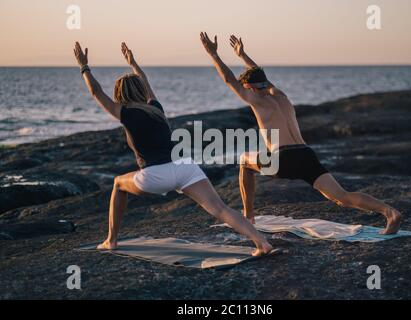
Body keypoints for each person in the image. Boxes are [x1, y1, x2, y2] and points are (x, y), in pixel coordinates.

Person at [72, 41, 272, 255]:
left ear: (120, 95)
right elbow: (146, 82)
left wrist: (84, 66)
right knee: (221, 209)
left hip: (155, 175)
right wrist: (133, 63)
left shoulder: (124, 113)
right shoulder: (155, 108)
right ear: (140, 91)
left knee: (118, 184)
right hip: (185, 168)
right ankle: (262, 243)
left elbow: (96, 92)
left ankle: (111, 240)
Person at [200, 32, 402, 234]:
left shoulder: (256, 99)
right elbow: (263, 78)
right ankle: (390, 213)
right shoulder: (282, 97)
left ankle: (248, 217)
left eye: (245, 87)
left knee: (245, 161)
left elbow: (228, 80)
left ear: (250, 87)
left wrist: (214, 55)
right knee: (342, 197)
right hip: (306, 155)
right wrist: (242, 56)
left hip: (283, 159)